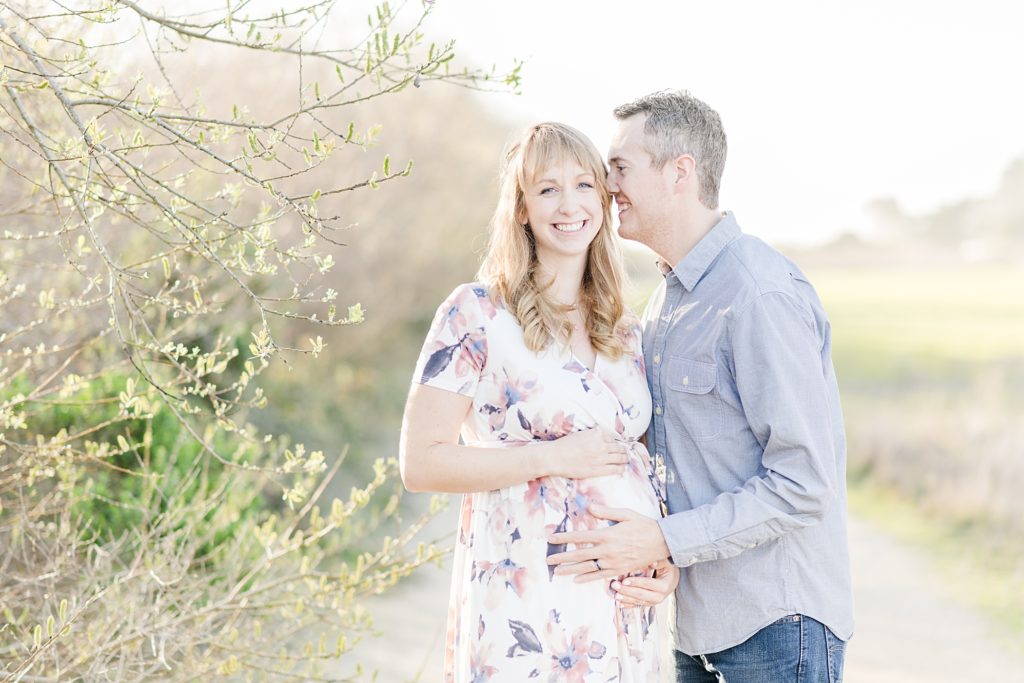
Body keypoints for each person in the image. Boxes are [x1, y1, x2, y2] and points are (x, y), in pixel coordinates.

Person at [546, 91, 854, 682]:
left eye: (621, 167)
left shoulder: (758, 292)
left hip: (775, 626)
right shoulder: (668, 299)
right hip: (698, 627)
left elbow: (804, 481)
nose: (607, 185)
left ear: (680, 171)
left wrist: (662, 539)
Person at [399, 122, 679, 682]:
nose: (568, 204)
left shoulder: (623, 329)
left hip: (623, 606)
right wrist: (549, 457)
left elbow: (645, 465)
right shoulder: (475, 314)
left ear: (602, 200)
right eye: (547, 188)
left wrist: (665, 556)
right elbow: (420, 463)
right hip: (524, 595)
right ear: (521, 208)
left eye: (583, 185)